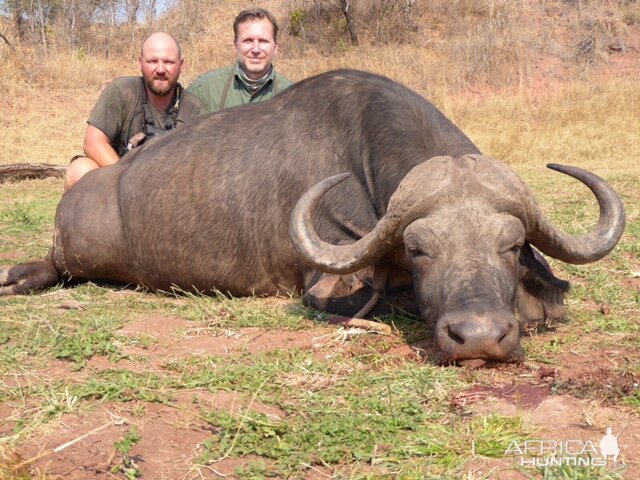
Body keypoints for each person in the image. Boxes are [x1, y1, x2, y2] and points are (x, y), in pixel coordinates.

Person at [64, 32, 206, 191]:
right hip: (118, 181)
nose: (160, 69)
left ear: (181, 65)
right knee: (79, 170)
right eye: (152, 61)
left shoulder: (196, 109)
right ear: (140, 63)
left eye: (168, 62)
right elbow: (93, 142)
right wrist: (127, 178)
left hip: (170, 191)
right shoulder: (121, 90)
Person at [188, 8, 292, 113]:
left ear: (275, 47)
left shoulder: (291, 95)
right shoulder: (204, 89)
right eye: (248, 41)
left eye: (263, 41)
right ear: (235, 45)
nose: (256, 49)